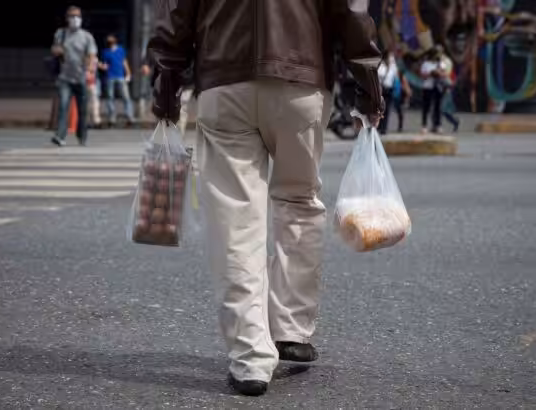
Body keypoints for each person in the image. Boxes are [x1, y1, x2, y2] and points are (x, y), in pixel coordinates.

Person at [147, 0, 383, 396]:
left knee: (235, 220)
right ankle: (291, 328)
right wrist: (368, 86)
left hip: (224, 81)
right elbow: (351, 11)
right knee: (298, 202)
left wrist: (167, 87)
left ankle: (250, 358)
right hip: (301, 80)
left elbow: (176, 18)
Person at [50, 6, 97, 146]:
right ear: (67, 18)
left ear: (81, 18)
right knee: (63, 107)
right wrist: (56, 51)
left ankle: (82, 136)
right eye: (72, 16)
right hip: (64, 78)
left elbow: (91, 54)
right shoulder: (61, 33)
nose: (75, 19)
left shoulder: (87, 36)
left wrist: (89, 68)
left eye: (77, 16)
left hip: (81, 78)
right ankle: (60, 136)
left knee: (82, 110)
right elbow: (54, 49)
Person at [99, 34, 135, 126]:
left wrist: (128, 73)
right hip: (110, 76)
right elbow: (105, 65)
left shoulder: (120, 50)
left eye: (111, 40)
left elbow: (124, 62)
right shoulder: (105, 52)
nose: (110, 42)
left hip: (120, 76)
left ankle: (129, 116)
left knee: (126, 97)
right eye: (108, 40)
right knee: (110, 97)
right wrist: (101, 66)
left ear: (115, 40)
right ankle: (112, 118)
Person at [420, 45, 448, 133]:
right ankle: (424, 125)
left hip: (437, 87)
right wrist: (431, 73)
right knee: (426, 107)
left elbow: (445, 75)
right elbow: (423, 76)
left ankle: (437, 125)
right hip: (428, 87)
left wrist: (439, 73)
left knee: (438, 107)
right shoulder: (426, 64)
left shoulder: (441, 63)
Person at [377, 51, 399, 134]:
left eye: (392, 58)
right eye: (390, 57)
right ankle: (378, 126)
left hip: (389, 89)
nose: (391, 59)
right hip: (381, 90)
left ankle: (384, 128)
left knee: (387, 109)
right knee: (380, 109)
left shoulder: (393, 66)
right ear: (386, 58)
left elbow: (395, 76)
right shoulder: (381, 66)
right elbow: (379, 75)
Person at [440, 53, 460, 132]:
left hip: (446, 88)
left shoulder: (445, 62)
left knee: (442, 109)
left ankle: (439, 126)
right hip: (443, 87)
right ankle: (454, 122)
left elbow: (445, 74)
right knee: (443, 110)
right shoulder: (444, 61)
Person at [86, 55, 102, 128]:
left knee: (95, 102)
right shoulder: (82, 57)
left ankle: (96, 120)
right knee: (87, 103)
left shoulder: (95, 58)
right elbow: (91, 68)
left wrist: (102, 65)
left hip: (92, 82)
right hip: (84, 82)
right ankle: (88, 121)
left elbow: (96, 66)